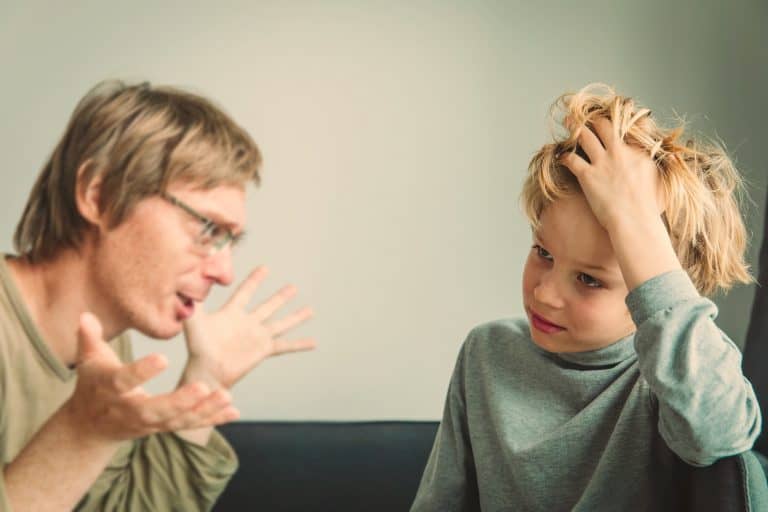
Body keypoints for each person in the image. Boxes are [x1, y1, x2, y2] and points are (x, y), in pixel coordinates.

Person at [410, 84, 761, 511]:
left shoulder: (668, 385)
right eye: (543, 253)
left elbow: (719, 432)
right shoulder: (486, 354)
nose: (545, 293)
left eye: (590, 280)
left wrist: (634, 222)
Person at [0, 80, 316, 510]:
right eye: (207, 229)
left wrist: (206, 378)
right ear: (99, 195)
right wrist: (83, 432)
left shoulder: (109, 345)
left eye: (231, 241)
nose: (225, 273)